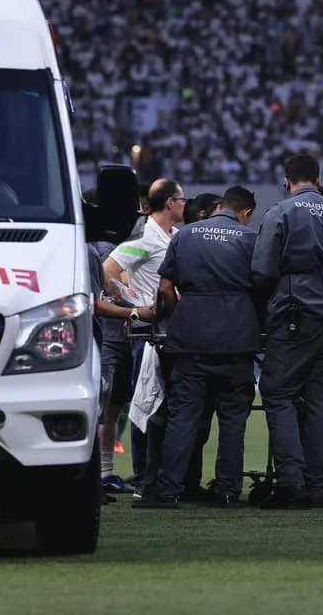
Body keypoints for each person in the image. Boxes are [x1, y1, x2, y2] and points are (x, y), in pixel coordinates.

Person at [136, 187, 260, 509]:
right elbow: (263, 287)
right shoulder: (249, 239)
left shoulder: (185, 235)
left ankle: (168, 491)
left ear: (219, 207)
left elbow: (165, 287)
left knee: (184, 417)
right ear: (244, 213)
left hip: (190, 337)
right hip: (237, 338)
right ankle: (229, 492)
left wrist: (176, 314)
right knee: (233, 420)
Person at [251, 153, 323, 509]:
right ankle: (317, 486)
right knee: (322, 403)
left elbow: (263, 270)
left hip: (297, 314)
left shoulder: (281, 212)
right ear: (319, 177)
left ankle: (291, 483)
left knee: (278, 392)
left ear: (287, 180)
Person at [104, 178, 185, 490]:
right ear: (169, 202)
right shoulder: (146, 236)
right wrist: (133, 304)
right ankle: (142, 475)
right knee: (145, 404)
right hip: (147, 334)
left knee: (166, 407)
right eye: (181, 199)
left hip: (171, 331)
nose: (184, 204)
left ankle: (158, 474)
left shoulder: (174, 236)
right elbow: (108, 268)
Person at [84, 189, 155, 501]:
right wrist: (136, 308)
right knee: (102, 409)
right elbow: (99, 299)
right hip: (110, 337)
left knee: (111, 410)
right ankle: (94, 477)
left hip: (122, 335)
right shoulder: (101, 250)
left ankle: (105, 474)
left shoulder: (114, 247)